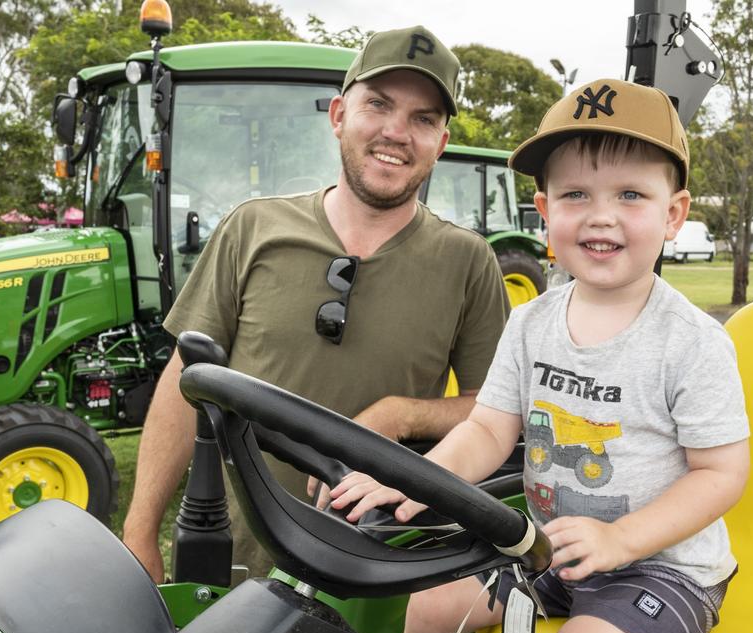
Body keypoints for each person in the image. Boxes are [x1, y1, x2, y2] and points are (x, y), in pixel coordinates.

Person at [328, 78, 750, 633]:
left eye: (630, 196)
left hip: (665, 570)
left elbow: (722, 473)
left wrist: (621, 539)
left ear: (674, 215)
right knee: (434, 603)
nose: (600, 217)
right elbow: (489, 431)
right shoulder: (530, 325)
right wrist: (417, 478)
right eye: (576, 195)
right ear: (544, 209)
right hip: (554, 551)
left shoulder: (693, 344)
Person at [122, 26, 510, 583]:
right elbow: (188, 378)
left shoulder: (468, 261)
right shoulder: (252, 228)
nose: (396, 132)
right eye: (378, 104)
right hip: (241, 555)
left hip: (381, 562)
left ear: (441, 143)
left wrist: (400, 416)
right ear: (338, 116)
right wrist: (139, 531)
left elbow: (491, 409)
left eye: (423, 118)